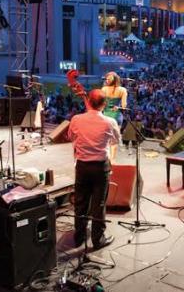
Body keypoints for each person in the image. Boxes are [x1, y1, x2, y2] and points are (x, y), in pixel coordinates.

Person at [67, 89, 120, 250]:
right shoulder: (110, 122)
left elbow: (71, 137)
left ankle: (79, 238)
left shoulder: (76, 119)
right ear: (104, 104)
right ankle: (98, 239)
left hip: (82, 166)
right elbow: (116, 141)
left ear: (88, 102)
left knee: (80, 202)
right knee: (99, 204)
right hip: (100, 168)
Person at [101, 71, 128, 160]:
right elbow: (124, 106)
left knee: (106, 139)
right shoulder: (123, 90)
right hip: (116, 116)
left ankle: (107, 158)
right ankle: (112, 159)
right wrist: (118, 106)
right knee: (114, 139)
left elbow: (102, 104)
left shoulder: (104, 89)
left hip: (106, 116)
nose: (106, 80)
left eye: (107, 79)